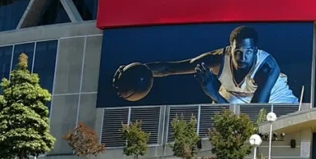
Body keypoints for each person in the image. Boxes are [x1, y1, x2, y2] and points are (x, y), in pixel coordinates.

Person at [112, 25, 298, 104]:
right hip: (235, 94)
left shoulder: (268, 67)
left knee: (264, 125)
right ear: (230, 49)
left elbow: (257, 114)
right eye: (238, 52)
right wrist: (138, 70)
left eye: (248, 52)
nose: (242, 57)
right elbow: (170, 68)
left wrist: (213, 92)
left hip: (273, 99)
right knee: (219, 118)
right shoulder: (215, 60)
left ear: (255, 50)